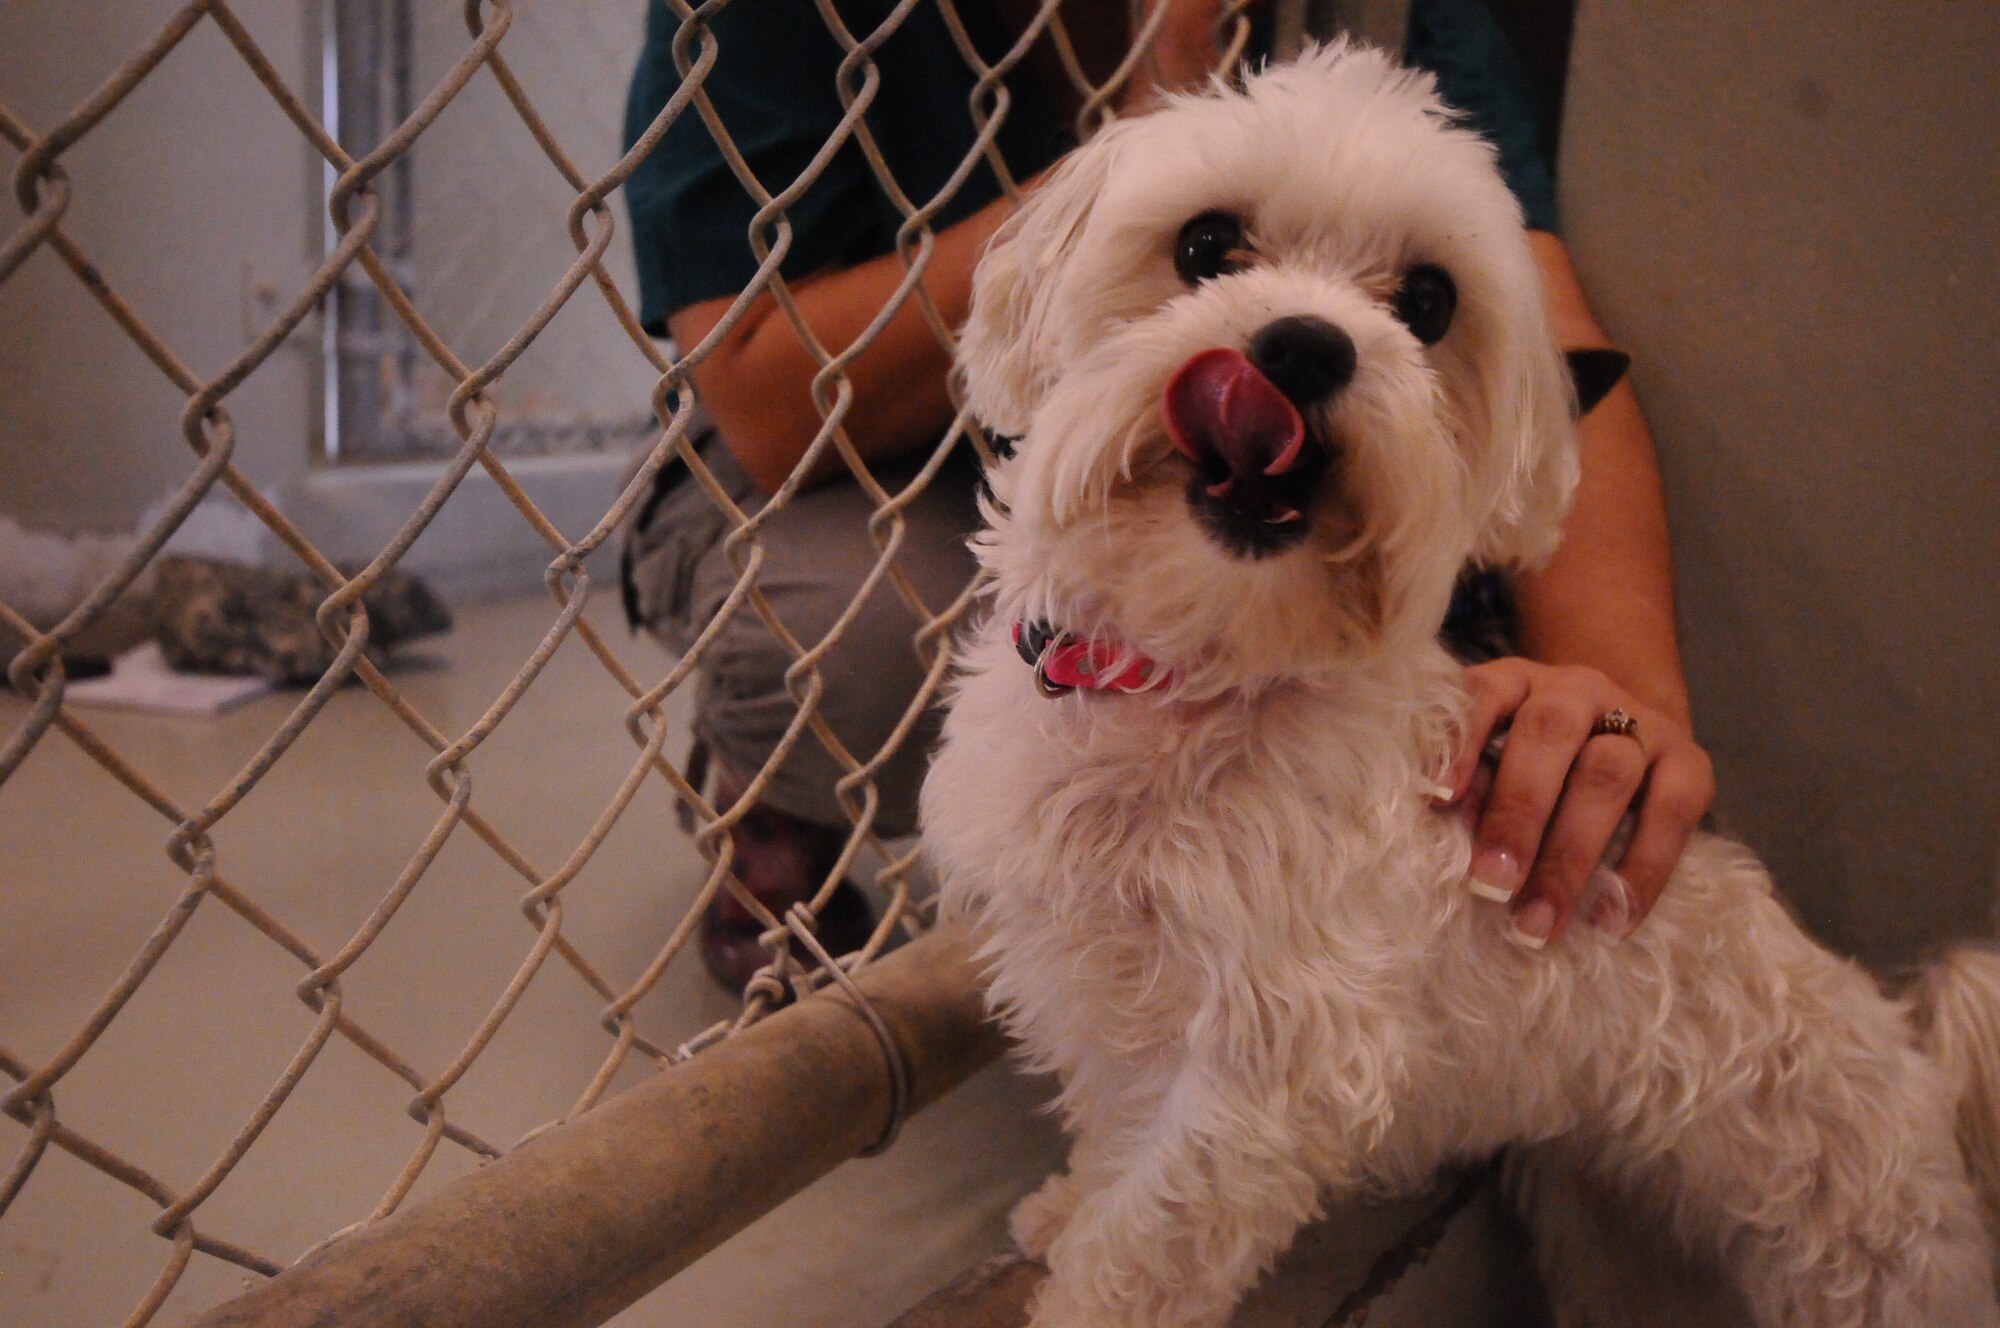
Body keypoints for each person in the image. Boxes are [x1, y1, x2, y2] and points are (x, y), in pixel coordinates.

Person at [621, 0, 1714, 990]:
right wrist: (1133, 147)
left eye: (1411, 298)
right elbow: (766, 395)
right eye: (1210, 249)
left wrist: (1620, 701)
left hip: (1233, 461)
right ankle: (774, 813)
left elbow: (1542, 351)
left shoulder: (1401, 17)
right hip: (848, 451)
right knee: (852, 633)